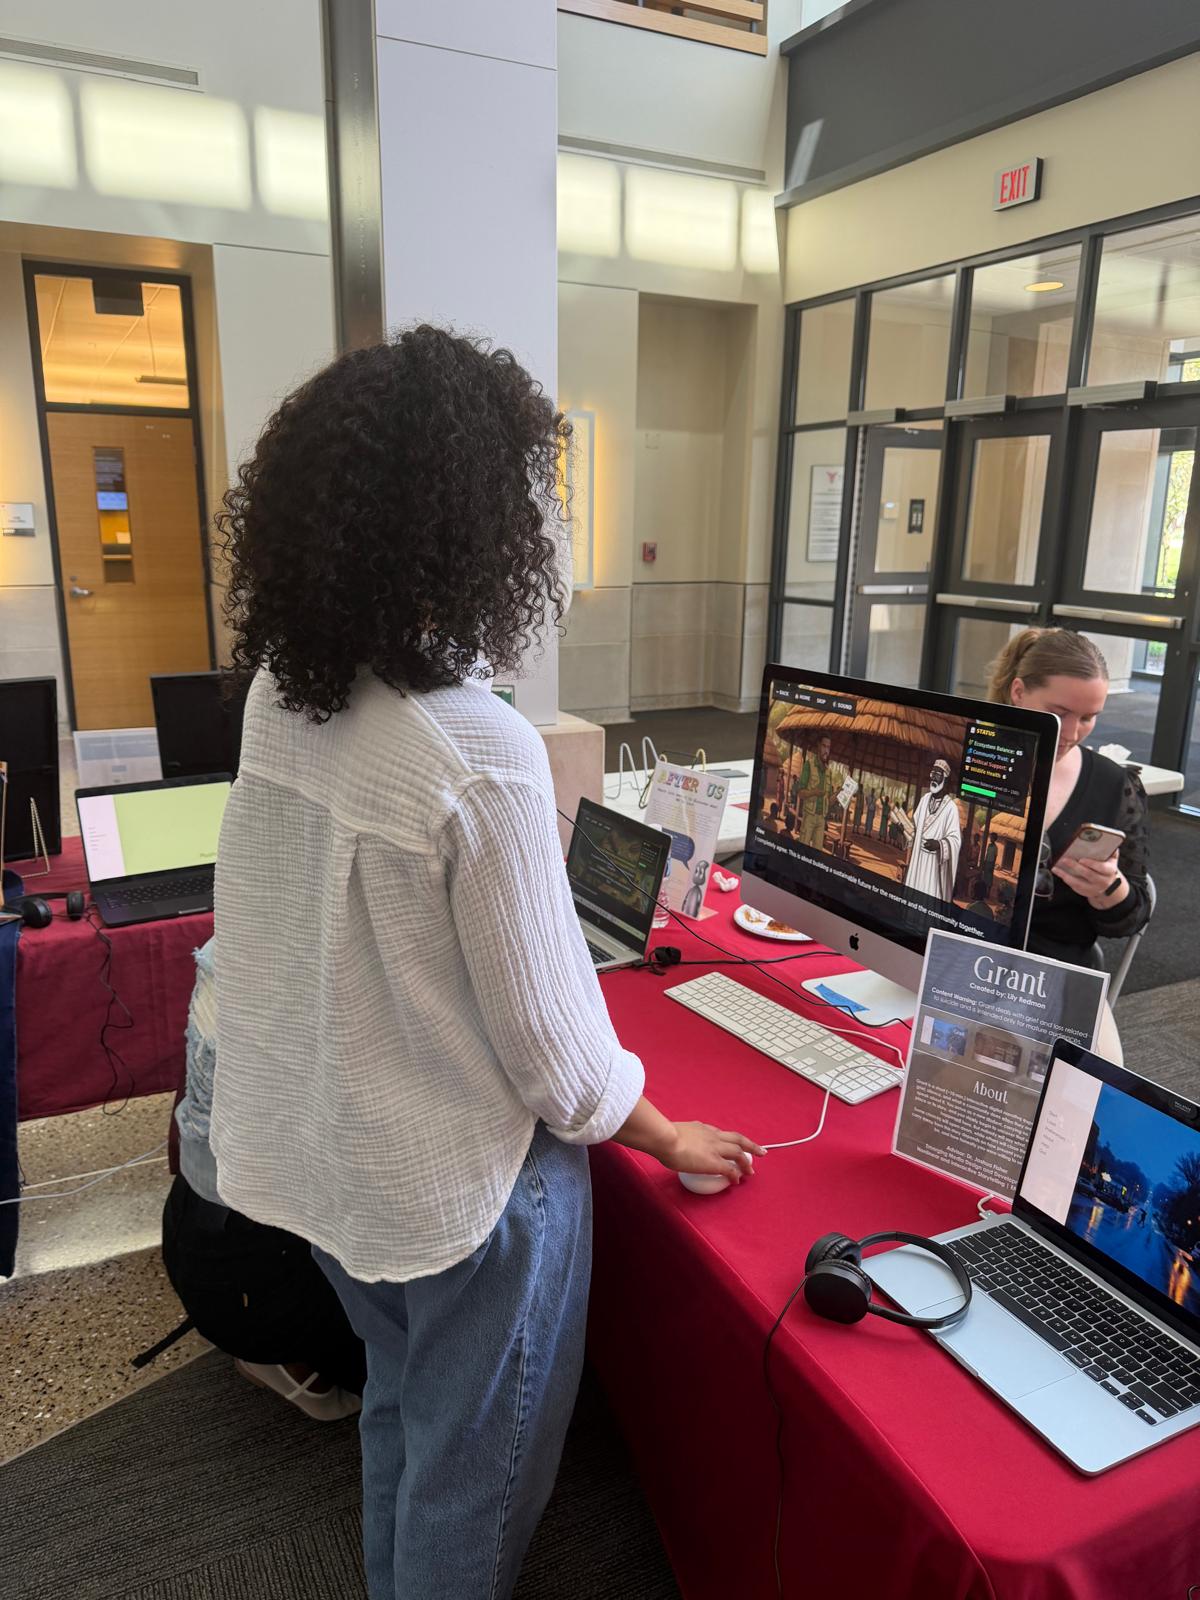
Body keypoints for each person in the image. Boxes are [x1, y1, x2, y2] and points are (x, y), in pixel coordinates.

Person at [208, 327, 764, 1600]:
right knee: (477, 1476)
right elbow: (559, 1067)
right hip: (464, 1197)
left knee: (404, 1421)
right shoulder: (479, 751)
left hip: (334, 1165)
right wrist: (668, 1133)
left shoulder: (283, 701)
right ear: (473, 528)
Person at [162, 941, 365, 1419]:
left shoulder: (231, 938)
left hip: (200, 1233)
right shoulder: (330, 962)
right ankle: (289, 1360)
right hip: (258, 1276)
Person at [988, 627, 1151, 969]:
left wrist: (1107, 887)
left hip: (1052, 972)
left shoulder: (1113, 785)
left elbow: (1131, 918)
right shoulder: (971, 756)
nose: (1073, 733)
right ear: (1018, 691)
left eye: (1088, 718)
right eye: (1059, 713)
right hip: (955, 956)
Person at [902, 759, 962, 900]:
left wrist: (939, 844)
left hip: (934, 864)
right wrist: (903, 830)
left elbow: (955, 841)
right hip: (918, 858)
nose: (933, 777)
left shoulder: (951, 808)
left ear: (945, 778)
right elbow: (915, 830)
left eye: (938, 774)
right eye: (932, 773)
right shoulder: (924, 800)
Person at [795, 735, 833, 850]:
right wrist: (814, 792)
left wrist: (841, 793)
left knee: (816, 855)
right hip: (809, 817)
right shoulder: (809, 765)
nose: (826, 750)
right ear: (818, 746)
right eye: (824, 746)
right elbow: (800, 793)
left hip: (822, 820)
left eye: (828, 747)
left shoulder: (829, 772)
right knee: (802, 851)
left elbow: (829, 801)